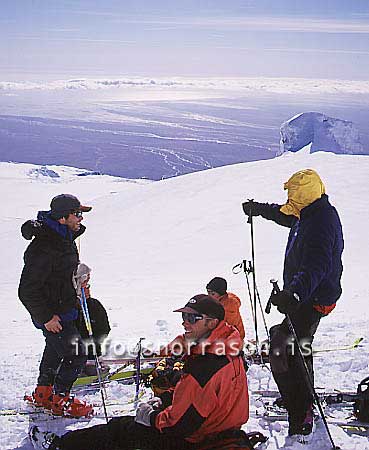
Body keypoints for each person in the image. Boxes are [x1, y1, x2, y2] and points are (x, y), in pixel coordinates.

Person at [30, 294, 251, 450]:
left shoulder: (204, 366)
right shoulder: (230, 347)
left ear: (212, 323)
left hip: (198, 438)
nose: (185, 323)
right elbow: (207, 400)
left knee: (123, 429)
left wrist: (152, 417)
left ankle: (60, 446)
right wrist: (167, 399)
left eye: (192, 318)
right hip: (221, 426)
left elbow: (179, 426)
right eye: (184, 317)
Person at [242, 169, 344, 437]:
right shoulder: (310, 212)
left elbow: (317, 264)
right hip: (306, 295)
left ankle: (301, 409)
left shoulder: (322, 222)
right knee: (297, 344)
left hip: (314, 297)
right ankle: (304, 396)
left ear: (304, 195)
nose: (290, 202)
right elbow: (286, 215)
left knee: (282, 345)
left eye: (293, 197)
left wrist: (295, 293)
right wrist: (260, 209)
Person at [19, 194, 94, 417]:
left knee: (54, 350)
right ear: (62, 218)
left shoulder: (63, 237)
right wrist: (46, 318)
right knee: (77, 354)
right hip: (53, 314)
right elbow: (27, 290)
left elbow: (58, 275)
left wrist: (77, 282)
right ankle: (60, 399)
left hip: (63, 309)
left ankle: (43, 393)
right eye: (77, 214)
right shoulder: (45, 247)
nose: (81, 218)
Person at [74, 272, 111, 376]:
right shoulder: (70, 309)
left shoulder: (95, 305)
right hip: (73, 354)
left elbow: (105, 329)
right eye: (83, 288)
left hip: (93, 353)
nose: (87, 290)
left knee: (92, 370)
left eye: (87, 287)